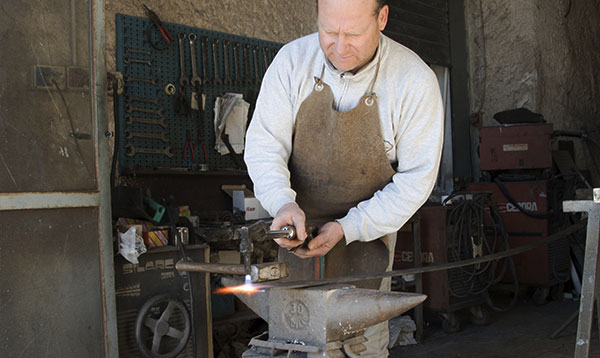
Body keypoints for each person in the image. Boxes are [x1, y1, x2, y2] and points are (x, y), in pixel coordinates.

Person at [244, 0, 443, 356]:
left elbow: (415, 180)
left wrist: (348, 227)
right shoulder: (292, 62)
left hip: (369, 233)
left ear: (382, 18)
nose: (338, 47)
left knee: (361, 343)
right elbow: (263, 145)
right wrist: (281, 201)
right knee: (295, 335)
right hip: (297, 229)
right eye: (327, 31)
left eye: (352, 33)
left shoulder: (413, 80)